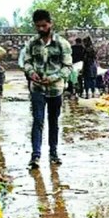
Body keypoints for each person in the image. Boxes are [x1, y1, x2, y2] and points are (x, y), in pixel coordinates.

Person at [23, 9, 73, 169]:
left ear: (50, 24)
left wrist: (52, 78)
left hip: (55, 89)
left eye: (44, 25)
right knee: (37, 121)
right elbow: (27, 62)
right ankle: (35, 156)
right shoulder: (31, 43)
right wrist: (31, 73)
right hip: (37, 88)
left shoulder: (62, 44)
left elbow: (68, 67)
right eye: (38, 26)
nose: (41, 29)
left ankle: (53, 153)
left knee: (53, 121)